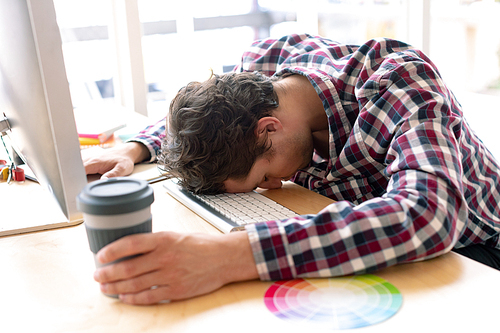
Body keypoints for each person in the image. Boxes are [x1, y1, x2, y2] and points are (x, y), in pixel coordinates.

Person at [84, 34, 500, 305]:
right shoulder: (263, 65)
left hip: (474, 248)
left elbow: (427, 216)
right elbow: (205, 113)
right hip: (389, 241)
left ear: (269, 127)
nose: (274, 185)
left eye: (262, 177)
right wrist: (137, 147)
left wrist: (227, 257)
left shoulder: (400, 82)